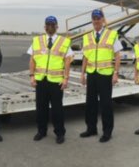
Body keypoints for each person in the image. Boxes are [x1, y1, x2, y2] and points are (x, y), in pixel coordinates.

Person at [28, 16, 73, 144]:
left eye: (53, 24)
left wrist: (66, 78)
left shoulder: (64, 41)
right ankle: (41, 131)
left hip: (56, 81)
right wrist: (31, 76)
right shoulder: (37, 40)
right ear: (45, 26)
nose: (50, 26)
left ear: (57, 26)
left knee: (57, 109)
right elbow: (32, 59)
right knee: (41, 107)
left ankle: (59, 133)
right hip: (40, 80)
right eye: (48, 24)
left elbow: (67, 61)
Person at [80, 9, 122, 142]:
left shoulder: (112, 34)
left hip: (105, 74)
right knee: (90, 103)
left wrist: (116, 73)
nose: (96, 21)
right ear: (92, 20)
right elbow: (85, 57)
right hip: (91, 74)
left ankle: (107, 131)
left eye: (98, 18)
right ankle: (91, 129)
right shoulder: (87, 37)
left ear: (103, 19)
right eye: (94, 18)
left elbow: (117, 55)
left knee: (106, 104)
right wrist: (82, 73)